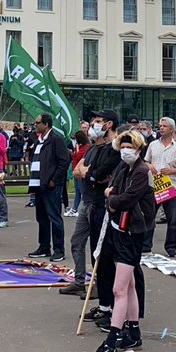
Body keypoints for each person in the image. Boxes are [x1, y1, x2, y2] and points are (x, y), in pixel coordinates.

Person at [89, 129, 155, 352]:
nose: (126, 151)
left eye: (130, 147)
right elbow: (112, 189)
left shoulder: (141, 171)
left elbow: (125, 197)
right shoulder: (123, 168)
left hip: (131, 233)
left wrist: (111, 198)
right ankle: (133, 332)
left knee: (119, 289)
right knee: (129, 286)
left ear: (139, 149)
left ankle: (112, 339)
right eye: (123, 147)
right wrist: (112, 195)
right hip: (119, 229)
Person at [62, 111, 120, 297]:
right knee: (77, 241)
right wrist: (89, 172)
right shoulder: (93, 148)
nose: (93, 124)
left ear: (108, 124)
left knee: (99, 246)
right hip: (86, 201)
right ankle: (80, 281)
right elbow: (78, 170)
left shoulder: (113, 149)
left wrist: (89, 173)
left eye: (98, 121)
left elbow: (101, 175)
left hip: (100, 203)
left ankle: (99, 284)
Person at [143, 117, 176, 258]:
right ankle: (146, 245)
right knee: (149, 217)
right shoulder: (153, 145)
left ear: (171, 129)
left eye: (164, 126)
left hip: (170, 186)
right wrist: (150, 166)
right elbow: (145, 161)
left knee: (172, 220)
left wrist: (171, 171)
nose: (161, 128)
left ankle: (171, 247)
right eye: (160, 126)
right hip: (154, 186)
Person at [27, 113, 69, 262]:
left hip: (50, 185)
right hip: (38, 184)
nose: (35, 125)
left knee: (54, 217)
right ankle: (44, 247)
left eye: (37, 123)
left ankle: (59, 250)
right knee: (42, 218)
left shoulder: (56, 139)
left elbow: (64, 161)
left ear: (46, 124)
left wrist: (54, 180)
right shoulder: (39, 140)